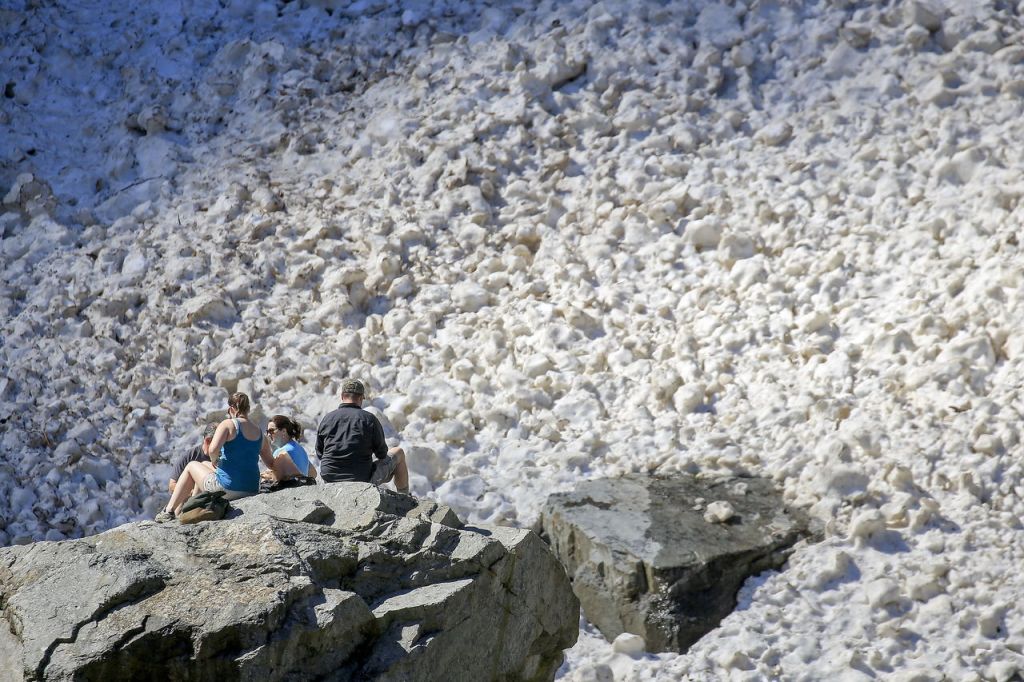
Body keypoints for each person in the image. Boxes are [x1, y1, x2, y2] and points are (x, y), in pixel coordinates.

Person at [156, 392, 274, 522]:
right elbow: (270, 463)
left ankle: (169, 511)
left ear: (231, 409)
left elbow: (212, 450)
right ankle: (194, 506)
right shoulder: (260, 433)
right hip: (251, 489)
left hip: (228, 488)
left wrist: (215, 461)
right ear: (248, 409)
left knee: (191, 466)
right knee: (204, 466)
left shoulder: (228, 424)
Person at [316, 378, 410, 494]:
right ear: (360, 398)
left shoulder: (327, 419)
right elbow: (382, 454)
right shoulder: (369, 419)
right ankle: (404, 498)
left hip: (329, 479)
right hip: (360, 480)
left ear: (342, 396)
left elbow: (320, 453)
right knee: (398, 452)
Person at [262, 414, 319, 482]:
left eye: (271, 431)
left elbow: (269, 479)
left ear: (284, 431)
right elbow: (313, 473)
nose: (268, 434)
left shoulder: (281, 451)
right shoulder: (300, 449)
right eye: (267, 431)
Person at [167, 423, 217, 497]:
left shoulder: (224, 454)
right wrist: (192, 492)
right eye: (208, 441)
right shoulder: (189, 456)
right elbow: (172, 486)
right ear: (206, 440)